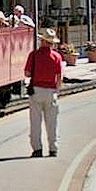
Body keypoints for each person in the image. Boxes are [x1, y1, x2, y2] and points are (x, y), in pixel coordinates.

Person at [24, 28, 64, 158]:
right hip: (51, 91)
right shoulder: (56, 56)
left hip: (36, 91)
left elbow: (27, 73)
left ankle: (37, 149)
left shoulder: (34, 55)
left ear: (42, 41)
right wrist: (56, 91)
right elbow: (59, 76)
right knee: (52, 122)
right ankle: (53, 149)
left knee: (35, 122)